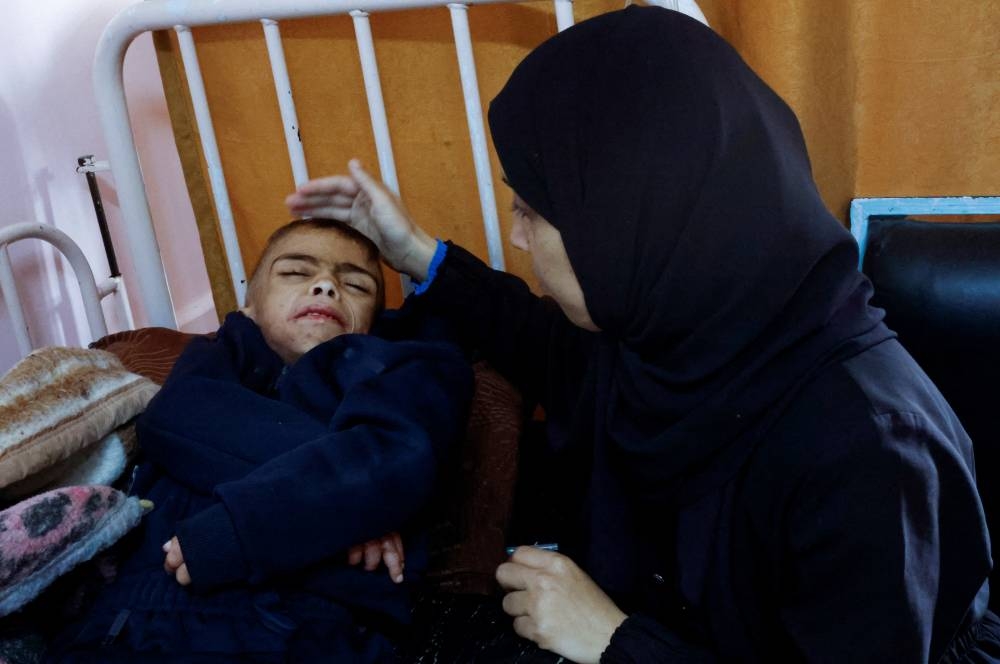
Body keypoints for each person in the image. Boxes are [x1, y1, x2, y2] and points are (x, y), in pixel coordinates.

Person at [285, 6, 1000, 663]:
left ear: (632, 224)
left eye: (534, 209)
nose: (516, 234)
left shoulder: (867, 449)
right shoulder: (672, 337)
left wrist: (614, 640)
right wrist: (412, 251)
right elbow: (539, 342)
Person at [45, 218, 473, 662]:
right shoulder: (213, 363)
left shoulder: (401, 364)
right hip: (131, 620)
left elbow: (394, 456)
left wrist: (244, 527)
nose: (326, 286)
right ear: (251, 302)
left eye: (356, 285)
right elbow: (170, 418)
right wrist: (347, 503)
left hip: (311, 626)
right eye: (296, 273)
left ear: (374, 321)